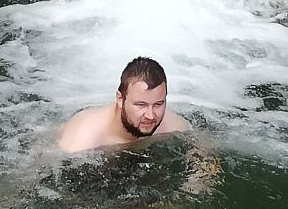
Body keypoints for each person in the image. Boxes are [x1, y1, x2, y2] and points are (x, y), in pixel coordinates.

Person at [59, 56, 191, 153]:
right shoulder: (84, 140)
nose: (150, 116)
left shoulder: (174, 126)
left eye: (158, 104)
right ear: (120, 99)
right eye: (141, 105)